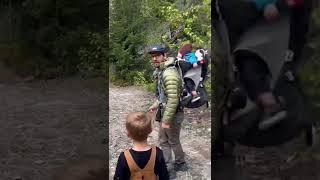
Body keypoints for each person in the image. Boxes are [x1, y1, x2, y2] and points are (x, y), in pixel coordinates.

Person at [147, 44, 188, 179]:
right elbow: (164, 96)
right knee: (167, 140)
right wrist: (155, 104)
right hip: (168, 112)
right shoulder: (163, 71)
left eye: (157, 56)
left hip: (172, 114)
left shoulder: (169, 73)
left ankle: (170, 170)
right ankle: (179, 164)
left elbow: (173, 100)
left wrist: (166, 120)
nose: (154, 59)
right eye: (153, 57)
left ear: (165, 56)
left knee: (169, 141)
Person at [114, 111, 169, 180]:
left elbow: (119, 177)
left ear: (128, 134)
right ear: (150, 130)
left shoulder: (124, 157)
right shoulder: (158, 153)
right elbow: (164, 177)